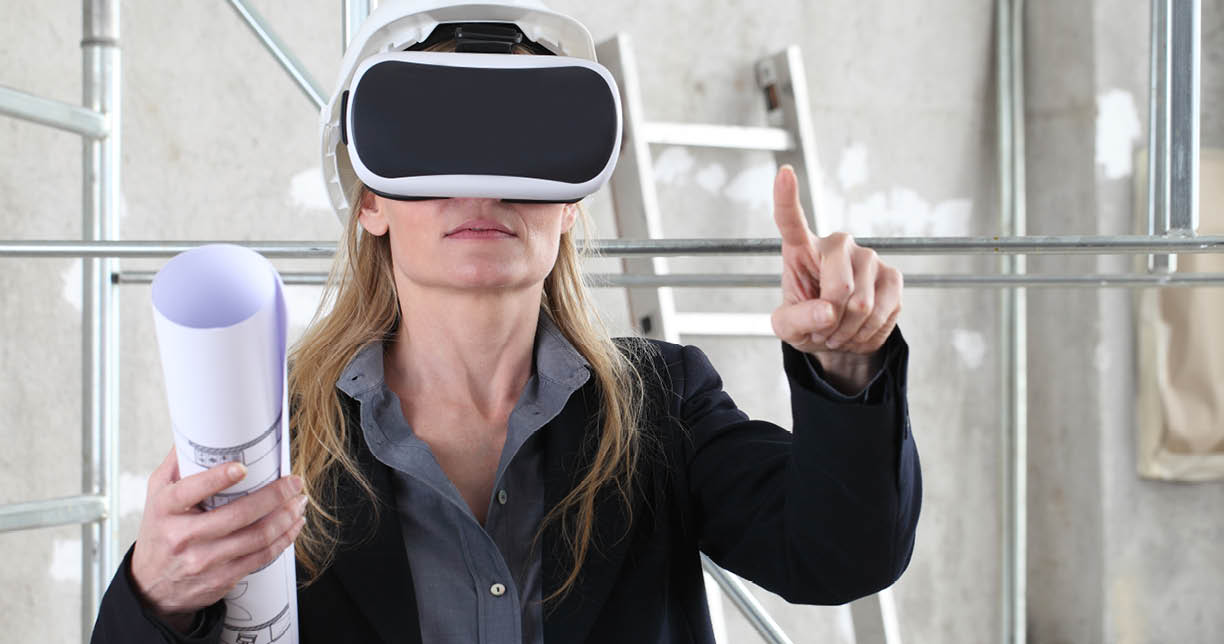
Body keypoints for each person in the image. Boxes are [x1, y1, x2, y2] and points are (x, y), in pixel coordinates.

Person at [90, 1, 920, 642]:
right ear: (370, 199)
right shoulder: (274, 433)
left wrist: (850, 371)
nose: (480, 189)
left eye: (524, 142)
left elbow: (839, 555)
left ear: (569, 206)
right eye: (429, 139)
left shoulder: (665, 404)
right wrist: (157, 593)